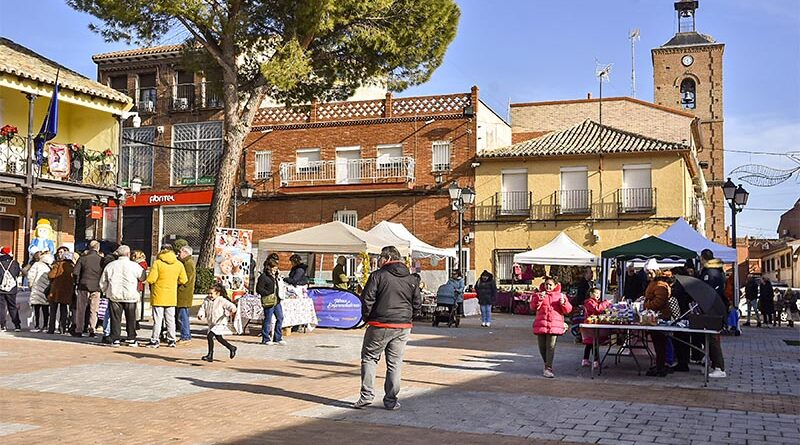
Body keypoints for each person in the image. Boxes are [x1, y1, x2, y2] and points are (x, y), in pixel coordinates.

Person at [353, 246, 421, 410]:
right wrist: (410, 317)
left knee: (370, 358)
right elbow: (417, 303)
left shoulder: (378, 276)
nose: (379, 261)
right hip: (403, 325)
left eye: (380, 258)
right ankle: (391, 400)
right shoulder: (411, 279)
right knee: (395, 363)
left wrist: (367, 317)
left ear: (387, 258)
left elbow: (367, 299)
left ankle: (366, 395)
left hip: (380, 323)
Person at [99, 245, 146, 346]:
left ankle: (115, 338)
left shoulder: (111, 265)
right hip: (131, 295)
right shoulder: (134, 266)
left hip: (114, 295)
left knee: (115, 318)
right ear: (128, 254)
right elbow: (142, 277)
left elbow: (103, 281)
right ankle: (131, 337)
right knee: (131, 317)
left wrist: (105, 291)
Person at [146, 246, 188, 348]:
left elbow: (151, 279)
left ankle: (155, 340)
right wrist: (174, 282)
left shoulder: (157, 263)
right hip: (171, 296)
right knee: (170, 319)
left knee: (158, 319)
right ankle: (171, 340)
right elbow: (184, 280)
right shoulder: (179, 264)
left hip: (158, 295)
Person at [530, 276, 572, 378]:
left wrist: (564, 303)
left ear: (555, 285)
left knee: (551, 346)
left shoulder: (560, 296)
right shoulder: (538, 295)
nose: (548, 286)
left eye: (550, 285)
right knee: (542, 347)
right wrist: (539, 299)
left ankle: (548, 367)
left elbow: (568, 310)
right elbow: (532, 307)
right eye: (546, 284)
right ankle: (546, 363)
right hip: (541, 324)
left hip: (554, 324)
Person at [197, 283, 238, 362]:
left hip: (220, 322)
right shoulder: (206, 300)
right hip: (212, 323)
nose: (209, 295)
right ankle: (231, 347)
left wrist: (232, 310)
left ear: (218, 293)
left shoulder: (221, 300)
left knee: (210, 336)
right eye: (208, 293)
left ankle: (210, 355)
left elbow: (231, 306)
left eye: (211, 293)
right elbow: (202, 308)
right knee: (219, 338)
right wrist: (200, 315)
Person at [643, 266, 672, 377]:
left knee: (660, 342)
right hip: (655, 316)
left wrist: (646, 305)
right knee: (657, 343)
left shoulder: (660, 285)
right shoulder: (655, 283)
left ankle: (661, 366)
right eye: (647, 273)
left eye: (650, 273)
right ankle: (660, 364)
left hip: (660, 317)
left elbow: (658, 302)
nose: (648, 275)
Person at [72, 240, 103, 337]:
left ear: (88, 248)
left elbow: (76, 272)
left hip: (83, 286)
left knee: (81, 309)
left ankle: (79, 329)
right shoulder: (101, 260)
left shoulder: (83, 259)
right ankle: (92, 329)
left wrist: (77, 283)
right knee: (94, 309)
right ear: (98, 248)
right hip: (96, 286)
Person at [257, 253, 285, 345]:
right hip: (269, 300)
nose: (276, 269)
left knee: (280, 318)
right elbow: (259, 289)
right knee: (268, 319)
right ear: (269, 267)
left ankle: (278, 337)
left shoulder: (275, 277)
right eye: (274, 268)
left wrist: (278, 277)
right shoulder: (264, 277)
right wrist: (267, 293)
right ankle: (265, 338)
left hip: (277, 300)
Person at [581, 287, 610, 369]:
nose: (598, 295)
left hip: (593, 325)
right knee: (594, 343)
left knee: (590, 344)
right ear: (591, 294)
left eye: (599, 294)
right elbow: (597, 309)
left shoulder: (595, 302)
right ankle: (596, 361)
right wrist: (606, 303)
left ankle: (585, 360)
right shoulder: (589, 302)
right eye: (596, 293)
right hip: (591, 325)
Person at [47, 251, 75, 335]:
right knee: (64, 310)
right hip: (67, 290)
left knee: (53, 311)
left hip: (56, 290)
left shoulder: (58, 265)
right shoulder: (72, 267)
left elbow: (51, 275)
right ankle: (62, 328)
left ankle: (51, 329)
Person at [27, 252, 54, 332]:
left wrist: (30, 285)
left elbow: (30, 275)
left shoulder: (36, 265)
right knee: (45, 309)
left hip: (37, 289)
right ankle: (45, 325)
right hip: (46, 290)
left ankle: (37, 325)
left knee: (36, 309)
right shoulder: (50, 266)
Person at [176, 245, 197, 345]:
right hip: (184, 293)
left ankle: (185, 336)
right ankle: (185, 335)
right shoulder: (186, 262)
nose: (178, 254)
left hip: (184, 293)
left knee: (183, 316)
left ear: (186, 253)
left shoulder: (188, 263)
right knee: (182, 315)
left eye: (180, 252)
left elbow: (185, 279)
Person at [0, 246, 22, 332]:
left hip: (1, 288)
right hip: (12, 289)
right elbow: (17, 274)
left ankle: (2, 325)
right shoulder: (15, 263)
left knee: (1, 307)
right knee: (12, 306)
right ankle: (17, 325)